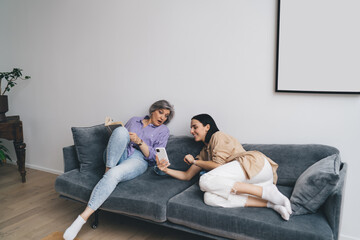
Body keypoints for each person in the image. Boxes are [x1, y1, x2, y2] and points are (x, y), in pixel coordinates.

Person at [63, 100, 175, 240]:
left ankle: (81, 219)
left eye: (166, 116)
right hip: (117, 154)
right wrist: (120, 133)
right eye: (161, 112)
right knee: (121, 131)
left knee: (114, 174)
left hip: (139, 159)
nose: (162, 117)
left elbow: (154, 158)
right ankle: (108, 170)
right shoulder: (134, 120)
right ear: (153, 110)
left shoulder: (163, 130)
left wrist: (140, 141)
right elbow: (118, 141)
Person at [156, 113, 292, 221]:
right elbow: (187, 176)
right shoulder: (204, 152)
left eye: (195, 127)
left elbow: (218, 165)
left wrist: (195, 162)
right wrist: (165, 169)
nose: (191, 131)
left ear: (207, 127)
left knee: (204, 181)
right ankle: (271, 204)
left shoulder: (218, 136)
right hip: (250, 180)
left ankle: (268, 192)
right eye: (191, 128)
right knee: (209, 198)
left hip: (255, 166)